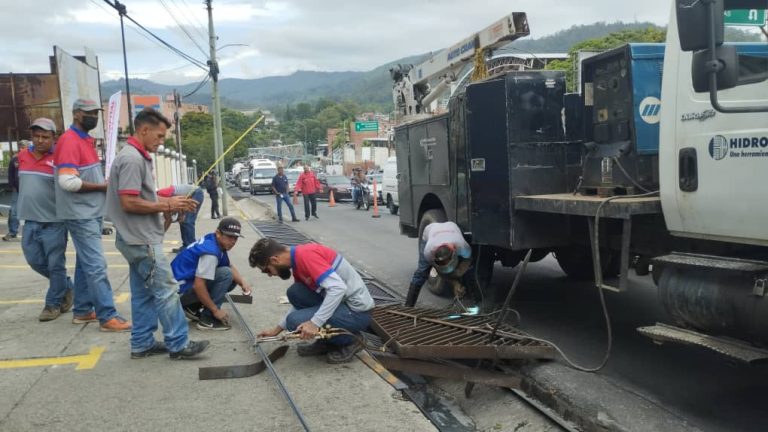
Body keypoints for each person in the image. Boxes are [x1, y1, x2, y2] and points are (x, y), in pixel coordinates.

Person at [107, 108, 209, 359]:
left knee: (143, 294)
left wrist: (166, 205)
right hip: (140, 240)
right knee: (166, 290)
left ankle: (141, 343)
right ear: (144, 130)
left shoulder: (135, 156)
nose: (162, 142)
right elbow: (128, 203)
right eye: (160, 136)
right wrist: (167, 205)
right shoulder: (131, 159)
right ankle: (179, 343)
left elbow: (140, 198)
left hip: (134, 237)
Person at [54, 98, 131, 332]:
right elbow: (67, 182)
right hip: (81, 214)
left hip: (89, 211)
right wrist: (102, 187)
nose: (93, 117)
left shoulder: (84, 140)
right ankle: (107, 316)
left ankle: (83, 310)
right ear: (76, 114)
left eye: (96, 113)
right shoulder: (69, 141)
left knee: (85, 263)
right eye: (88, 113)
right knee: (97, 265)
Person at [251, 238, 375, 364]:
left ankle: (351, 340)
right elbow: (299, 305)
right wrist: (276, 330)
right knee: (295, 292)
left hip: (356, 312)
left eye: (266, 270)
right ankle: (326, 341)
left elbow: (338, 288)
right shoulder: (297, 262)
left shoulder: (306, 256)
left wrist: (314, 323)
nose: (270, 275)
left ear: (274, 260)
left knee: (295, 321)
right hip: (342, 304)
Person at [17, 119, 74, 321]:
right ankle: (66, 286)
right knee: (34, 261)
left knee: (55, 265)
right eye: (36, 136)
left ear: (53, 138)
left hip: (55, 222)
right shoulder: (22, 156)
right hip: (30, 220)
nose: (40, 140)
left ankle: (53, 305)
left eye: (45, 137)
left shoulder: (60, 159)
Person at [171, 217, 252, 331]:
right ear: (218, 233)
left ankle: (192, 307)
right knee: (226, 274)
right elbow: (198, 285)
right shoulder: (210, 253)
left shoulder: (213, 240)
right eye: (229, 237)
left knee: (232, 277)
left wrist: (242, 282)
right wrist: (215, 310)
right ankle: (208, 319)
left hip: (181, 287)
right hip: (177, 294)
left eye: (235, 238)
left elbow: (228, 264)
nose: (233, 241)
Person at [405, 221, 473, 307]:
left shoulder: (462, 247)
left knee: (469, 270)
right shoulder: (429, 251)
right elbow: (438, 269)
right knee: (421, 273)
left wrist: (460, 272)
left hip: (451, 226)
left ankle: (473, 298)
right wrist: (454, 283)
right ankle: (408, 306)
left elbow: (469, 259)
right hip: (430, 230)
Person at [157, 184, 205, 252]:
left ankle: (190, 247)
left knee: (187, 221)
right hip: (189, 195)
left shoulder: (162, 193)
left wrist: (182, 214)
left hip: (196, 193)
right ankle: (186, 245)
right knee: (183, 221)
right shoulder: (161, 200)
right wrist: (160, 234)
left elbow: (180, 200)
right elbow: (168, 219)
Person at [3, 140, 29, 241]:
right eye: (20, 147)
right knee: (13, 211)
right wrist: (12, 185)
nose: (21, 149)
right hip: (17, 190)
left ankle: (30, 233)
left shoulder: (31, 159)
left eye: (23, 147)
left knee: (31, 211)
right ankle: (12, 232)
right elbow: (10, 173)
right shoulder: (14, 160)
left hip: (28, 190)